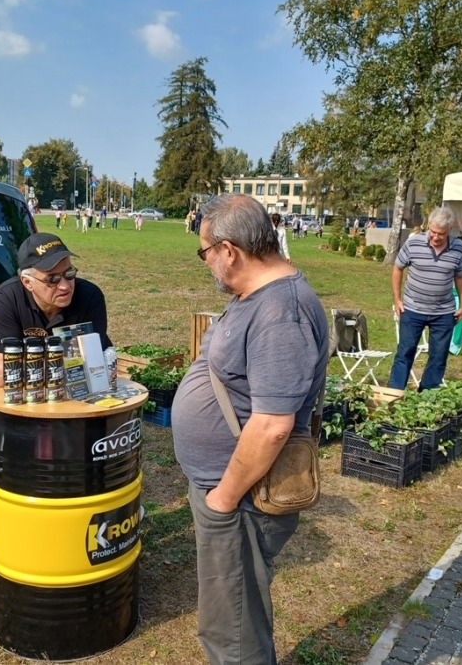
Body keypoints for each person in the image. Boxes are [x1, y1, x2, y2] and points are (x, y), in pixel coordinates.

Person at [172, 193, 329, 665]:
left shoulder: (282, 312)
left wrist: (222, 498)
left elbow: (273, 426)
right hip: (229, 491)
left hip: (240, 498)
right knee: (228, 618)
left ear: (229, 250)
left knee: (234, 633)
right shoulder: (257, 297)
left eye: (204, 252)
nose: (206, 264)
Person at [0, 233, 112, 387]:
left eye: (69, 273)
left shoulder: (90, 297)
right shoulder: (8, 298)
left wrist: (22, 372)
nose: (65, 286)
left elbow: (92, 366)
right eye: (53, 279)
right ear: (27, 282)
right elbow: (1, 368)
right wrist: (64, 365)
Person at [389, 206, 462, 391]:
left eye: (441, 233)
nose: (435, 236)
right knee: (405, 352)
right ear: (428, 226)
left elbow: (460, 277)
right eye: (432, 231)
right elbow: (398, 268)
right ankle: (394, 394)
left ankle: (427, 397)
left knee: (438, 356)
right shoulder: (413, 243)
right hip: (412, 309)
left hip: (444, 312)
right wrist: (397, 299)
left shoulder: (458, 247)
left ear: (449, 230)